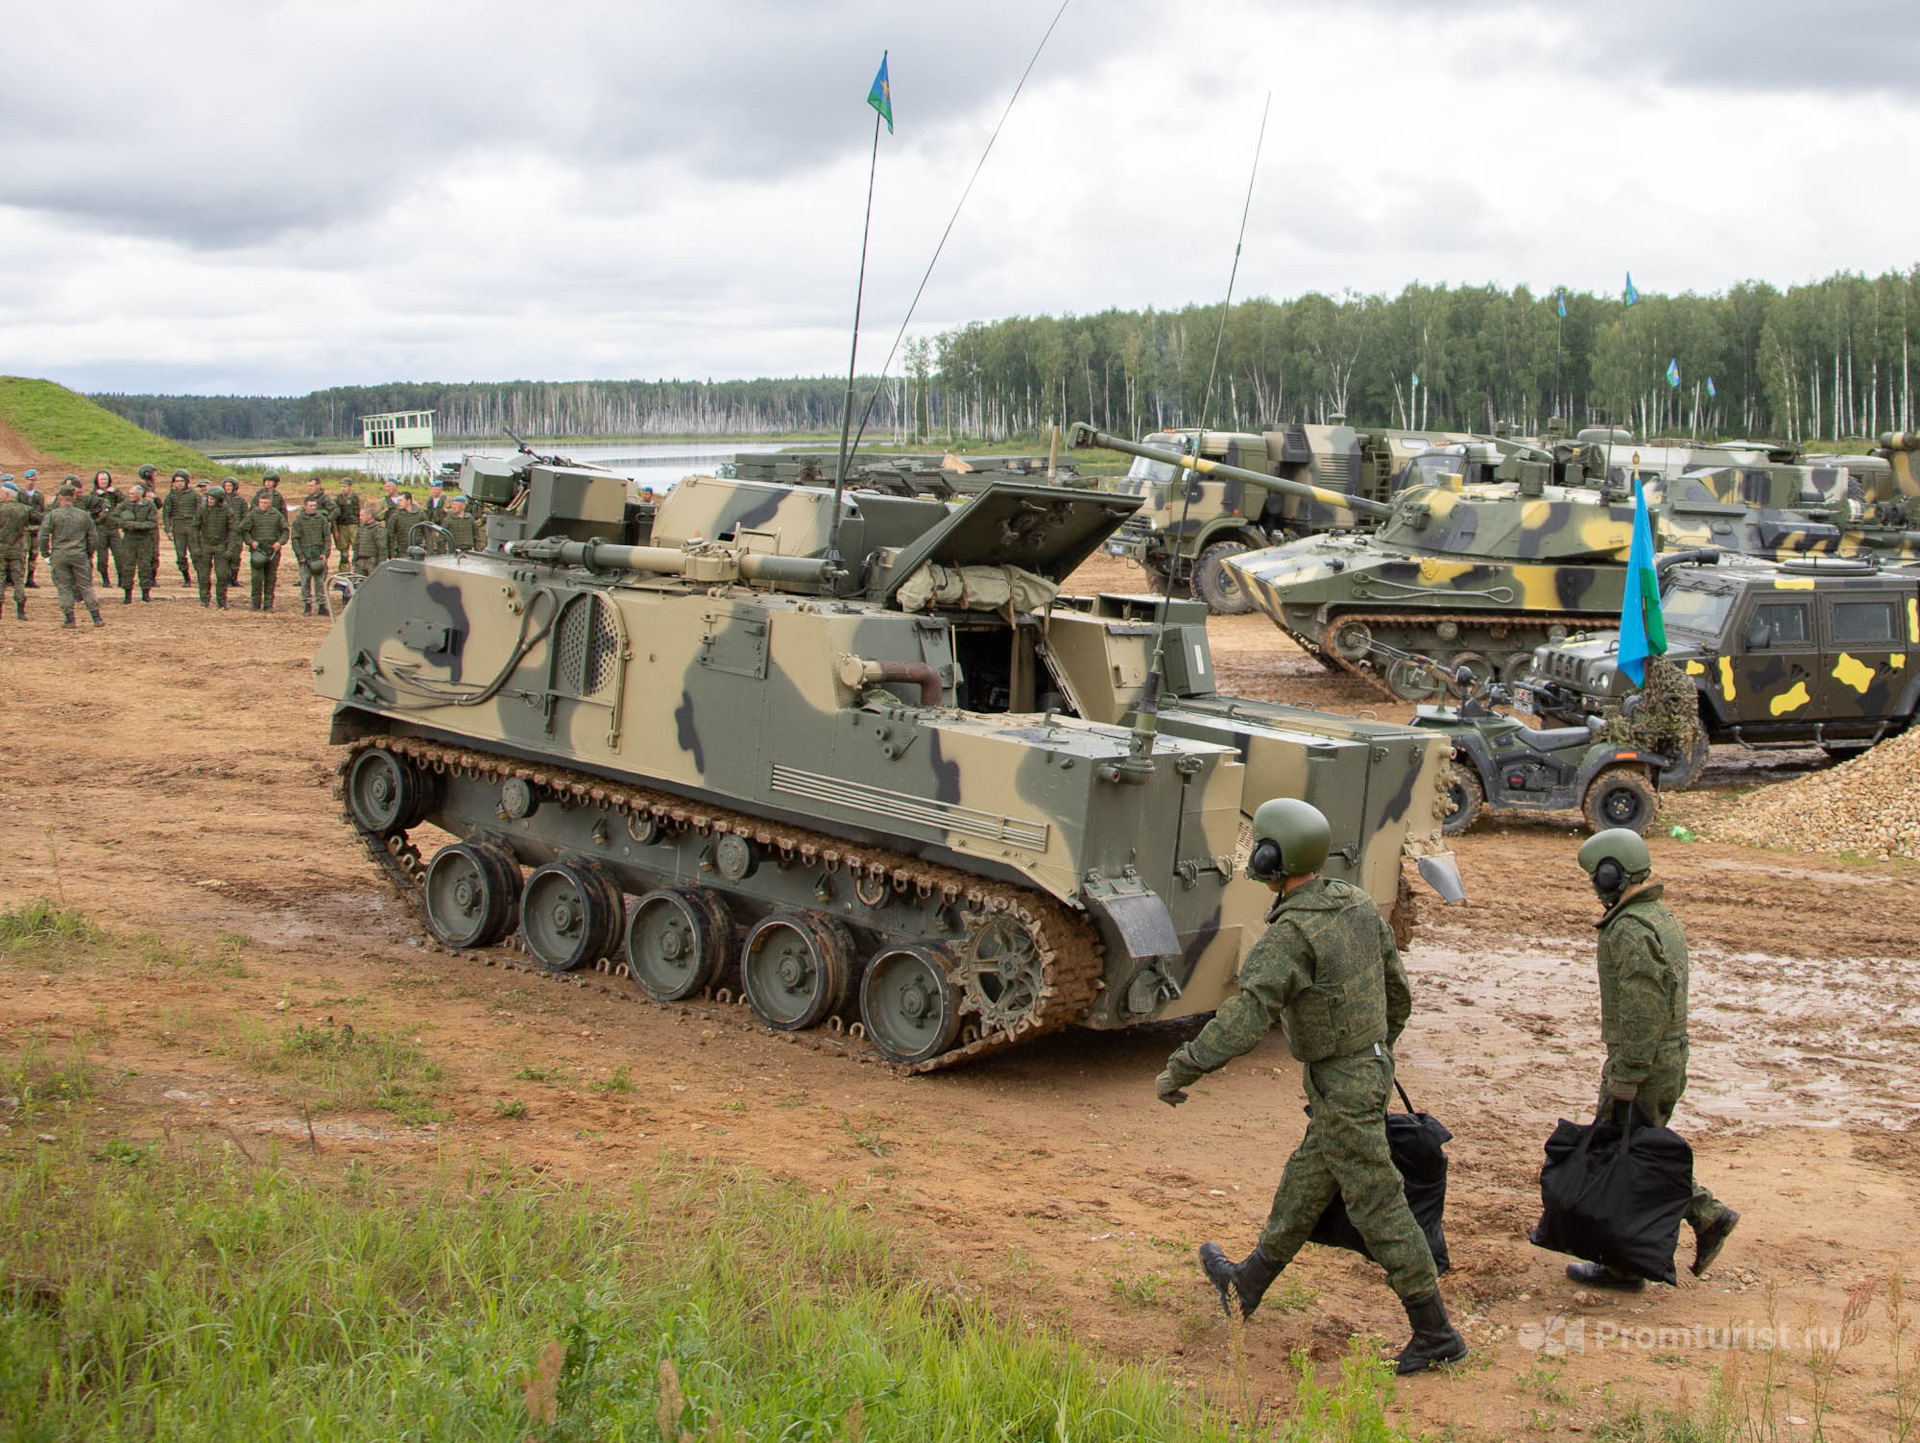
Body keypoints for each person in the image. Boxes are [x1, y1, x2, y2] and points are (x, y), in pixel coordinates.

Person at [1156, 798, 1466, 1376]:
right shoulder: (1354, 902)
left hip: (1343, 1082)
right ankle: (1245, 1286)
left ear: (1273, 856)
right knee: (1304, 1185)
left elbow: (1245, 1019)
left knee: (1378, 1204)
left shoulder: (1289, 935)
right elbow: (1397, 989)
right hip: (1363, 1072)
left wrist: (1184, 1067)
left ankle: (1436, 1332)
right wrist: (1375, 1051)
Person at [1570, 830, 1738, 1290]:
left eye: (1596, 876)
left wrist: (1626, 1075)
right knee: (1637, 1152)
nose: (1593, 885)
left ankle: (1651, 1251)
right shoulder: (1657, 916)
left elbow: (1643, 1009)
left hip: (1644, 1063)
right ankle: (1699, 1221)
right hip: (1665, 1058)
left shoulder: (1629, 928)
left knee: (1625, 1155)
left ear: (1612, 873)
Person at [40, 486, 104, 627]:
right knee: (86, 586)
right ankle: (96, 617)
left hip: (59, 555)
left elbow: (43, 536)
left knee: (64, 587)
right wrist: (88, 553)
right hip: (79, 555)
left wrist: (46, 554)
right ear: (74, 498)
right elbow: (93, 537)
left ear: (59, 498)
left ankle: (70, 619)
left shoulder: (52, 515)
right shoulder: (83, 515)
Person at [236, 490, 288, 610]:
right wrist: (251, 542)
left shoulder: (277, 515)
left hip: (273, 550)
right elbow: (243, 530)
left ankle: (268, 603)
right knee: (256, 578)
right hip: (258, 549)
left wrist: (279, 543)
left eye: (265, 503)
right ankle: (255, 602)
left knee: (271, 578)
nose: (263, 505)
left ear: (270, 503)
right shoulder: (253, 514)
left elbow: (285, 530)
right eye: (261, 502)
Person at [112, 482, 162, 602]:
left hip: (144, 539)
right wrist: (124, 524)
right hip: (129, 538)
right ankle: (127, 594)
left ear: (139, 494)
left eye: (132, 494)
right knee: (128, 566)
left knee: (145, 566)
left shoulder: (149, 506)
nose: (130, 496)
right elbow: (114, 516)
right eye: (129, 494)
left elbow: (153, 523)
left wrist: (136, 525)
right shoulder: (125, 505)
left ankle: (145, 593)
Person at [196, 482, 237, 608]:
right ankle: (204, 599)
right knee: (203, 575)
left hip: (221, 545)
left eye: (212, 498)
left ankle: (221, 600)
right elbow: (194, 528)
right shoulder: (203, 509)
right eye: (208, 498)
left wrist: (230, 548)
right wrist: (196, 547)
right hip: (206, 544)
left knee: (222, 575)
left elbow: (233, 531)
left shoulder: (227, 511)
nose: (209, 500)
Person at [290, 495, 333, 615]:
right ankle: (307, 604)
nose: (313, 508)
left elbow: (327, 538)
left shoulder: (322, 519)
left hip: (318, 555)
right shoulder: (298, 521)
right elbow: (295, 539)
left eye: (314, 505)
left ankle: (321, 605)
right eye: (310, 506)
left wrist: (325, 553)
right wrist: (300, 555)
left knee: (320, 582)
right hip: (305, 555)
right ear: (305, 506)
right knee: (305, 581)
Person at [163, 471, 200, 586]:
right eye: (176, 481)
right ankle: (186, 578)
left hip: (191, 525)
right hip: (178, 526)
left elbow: (200, 513)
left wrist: (199, 528)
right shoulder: (171, 497)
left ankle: (201, 576)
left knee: (196, 553)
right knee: (180, 555)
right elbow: (166, 514)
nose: (179, 484)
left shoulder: (194, 495)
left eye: (181, 481)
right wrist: (168, 530)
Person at [0, 480, 30, 619]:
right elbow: (39, 519)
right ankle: (20, 611)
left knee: (1, 579)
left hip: (1, 550)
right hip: (17, 549)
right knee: (18, 580)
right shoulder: (24, 509)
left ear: (6, 493)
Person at [88, 471, 124, 588]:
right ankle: (105, 579)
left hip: (113, 528)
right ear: (97, 481)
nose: (104, 481)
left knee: (119, 555)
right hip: (100, 528)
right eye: (101, 479)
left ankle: (121, 578)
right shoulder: (93, 495)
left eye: (105, 479)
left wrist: (116, 492)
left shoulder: (113, 493)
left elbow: (125, 502)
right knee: (102, 557)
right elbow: (89, 509)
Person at [351, 500, 391, 574]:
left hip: (372, 561)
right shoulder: (361, 529)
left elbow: (382, 547)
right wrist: (354, 562)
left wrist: (381, 564)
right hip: (360, 561)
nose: (360, 517)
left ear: (369, 516)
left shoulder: (378, 529)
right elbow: (356, 546)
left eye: (362, 515)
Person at [21, 471, 45, 588]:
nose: (31, 482)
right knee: (22, 553)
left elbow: (42, 509)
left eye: (33, 480)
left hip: (35, 528)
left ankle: (30, 578)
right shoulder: (20, 494)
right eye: (28, 479)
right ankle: (19, 577)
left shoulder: (39, 494)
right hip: (24, 528)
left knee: (34, 553)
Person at [331, 478, 360, 565]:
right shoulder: (337, 499)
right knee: (343, 553)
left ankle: (357, 570)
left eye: (345, 486)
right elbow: (333, 516)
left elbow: (362, 512)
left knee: (358, 550)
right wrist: (335, 530)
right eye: (341, 486)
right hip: (342, 526)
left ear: (350, 487)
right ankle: (344, 573)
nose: (343, 489)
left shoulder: (357, 498)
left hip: (354, 526)